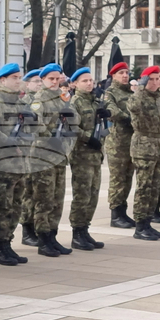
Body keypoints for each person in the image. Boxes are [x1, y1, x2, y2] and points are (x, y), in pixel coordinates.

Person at [0, 64, 29, 264]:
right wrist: (5, 140)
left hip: (18, 163)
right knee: (2, 206)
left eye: (19, 77)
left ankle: (8, 243)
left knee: (16, 205)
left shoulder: (18, 103)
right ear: (2, 80)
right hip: (0, 164)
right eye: (14, 78)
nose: (18, 81)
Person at [28, 63, 74, 256]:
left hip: (58, 155)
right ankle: (43, 238)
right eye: (51, 79)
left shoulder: (60, 98)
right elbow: (34, 124)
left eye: (57, 79)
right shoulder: (39, 100)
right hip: (42, 155)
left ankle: (52, 235)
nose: (55, 82)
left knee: (57, 198)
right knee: (43, 199)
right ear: (44, 80)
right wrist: (49, 137)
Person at [67, 67, 106, 249]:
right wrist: (88, 138)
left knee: (93, 194)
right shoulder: (74, 102)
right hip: (81, 154)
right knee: (82, 195)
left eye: (91, 80)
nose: (89, 83)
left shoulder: (94, 101)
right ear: (75, 84)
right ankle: (77, 232)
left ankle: (85, 229)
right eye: (85, 81)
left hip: (95, 155)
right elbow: (72, 127)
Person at [128, 66, 160, 240]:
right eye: (152, 79)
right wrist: (140, 88)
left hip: (158, 146)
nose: (156, 81)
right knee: (144, 187)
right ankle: (140, 225)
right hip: (143, 146)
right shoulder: (139, 97)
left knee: (154, 187)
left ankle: (148, 222)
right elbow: (133, 106)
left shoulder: (158, 98)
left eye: (159, 78)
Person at [104, 62, 136, 228]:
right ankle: (116, 214)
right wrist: (129, 118)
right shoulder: (110, 93)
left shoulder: (131, 93)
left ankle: (123, 212)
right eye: (121, 73)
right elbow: (111, 110)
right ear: (113, 75)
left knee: (128, 178)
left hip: (132, 141)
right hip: (117, 143)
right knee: (118, 179)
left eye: (126, 72)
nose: (125, 75)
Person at [18, 68, 42, 246]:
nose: (39, 84)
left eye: (41, 81)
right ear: (26, 84)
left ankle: (36, 227)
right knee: (28, 193)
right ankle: (27, 230)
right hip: (27, 153)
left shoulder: (44, 101)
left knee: (39, 194)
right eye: (35, 81)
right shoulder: (23, 103)